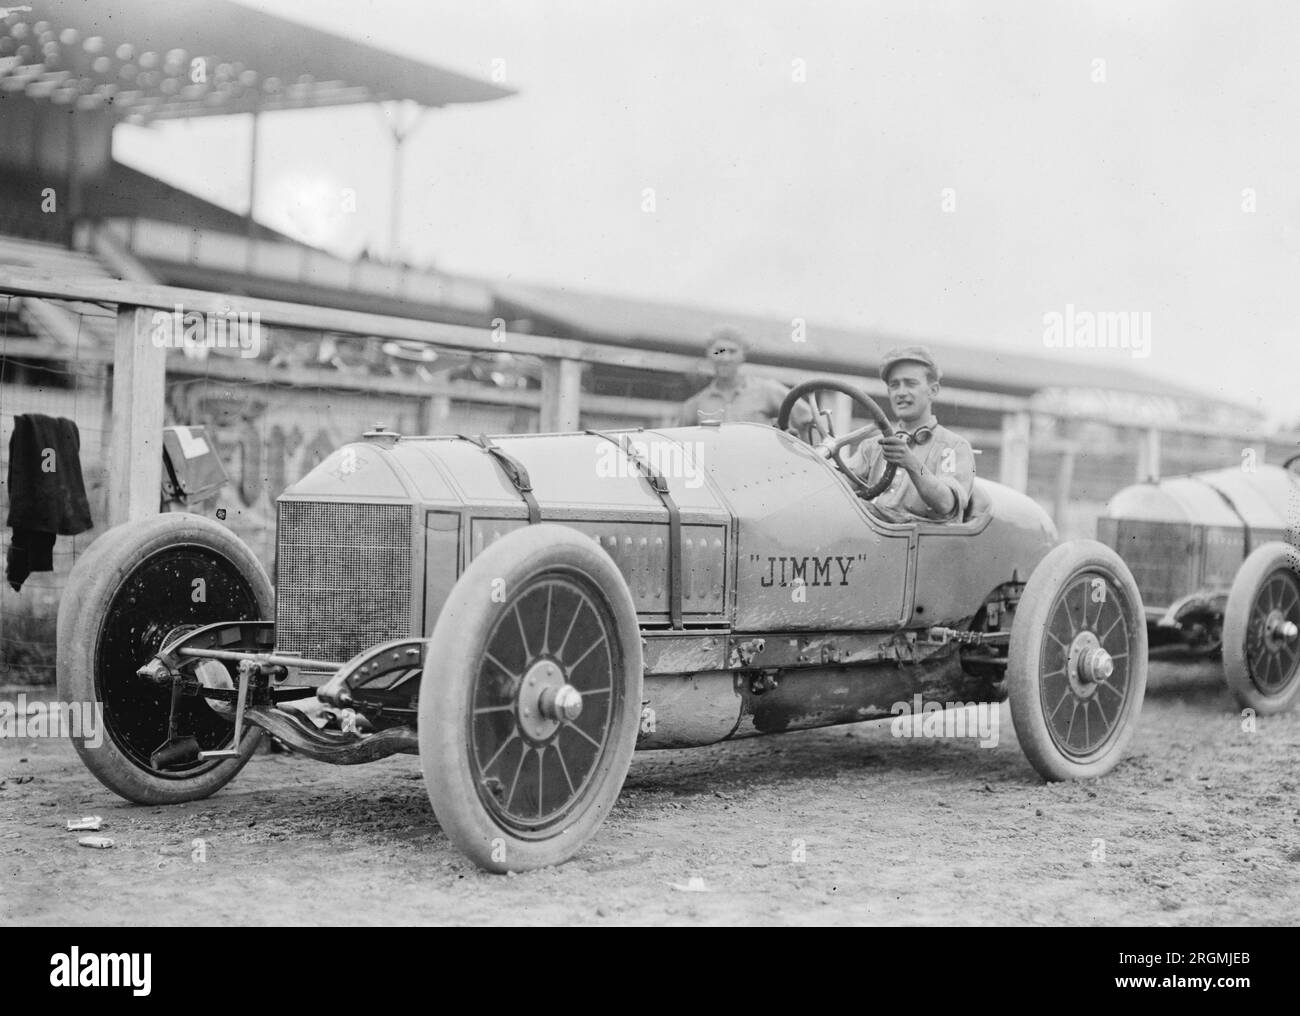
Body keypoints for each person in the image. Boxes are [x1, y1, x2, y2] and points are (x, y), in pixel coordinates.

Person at [844, 346, 975, 523]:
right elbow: (837, 489)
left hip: (924, 545)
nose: (901, 392)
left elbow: (946, 504)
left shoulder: (952, 446)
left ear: (933, 390)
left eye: (911, 384)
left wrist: (911, 462)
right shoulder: (872, 447)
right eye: (894, 385)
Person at [678, 326, 812, 436]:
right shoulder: (695, 405)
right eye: (719, 351)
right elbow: (681, 444)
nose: (725, 358)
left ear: (743, 355)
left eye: (732, 351)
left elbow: (810, 420)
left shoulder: (767, 390)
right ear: (709, 354)